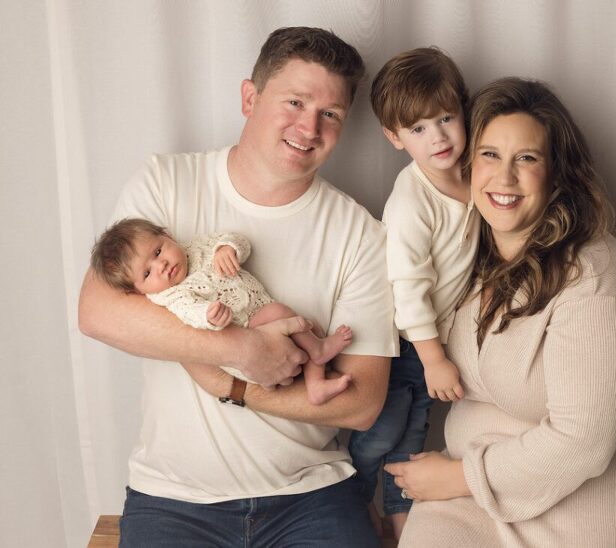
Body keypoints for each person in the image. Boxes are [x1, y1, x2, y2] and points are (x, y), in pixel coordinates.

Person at [78, 27, 398, 547]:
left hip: (311, 495)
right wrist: (238, 348)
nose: (309, 126)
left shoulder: (360, 233)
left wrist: (233, 387)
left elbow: (361, 404)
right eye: (294, 101)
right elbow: (97, 311)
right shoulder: (165, 183)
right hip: (172, 498)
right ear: (250, 97)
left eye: (330, 114)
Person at [385, 77, 616, 547]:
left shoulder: (595, 275)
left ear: (558, 173)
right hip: (473, 500)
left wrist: (456, 478)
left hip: (585, 507)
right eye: (490, 154)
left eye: (526, 158)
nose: (504, 178)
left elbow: (582, 442)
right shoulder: (468, 257)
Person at [347, 47, 480, 539]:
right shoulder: (411, 199)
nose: (438, 137)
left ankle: (401, 515)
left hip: (433, 342)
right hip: (403, 339)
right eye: (418, 129)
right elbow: (408, 289)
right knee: (383, 429)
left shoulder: (476, 179)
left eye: (446, 118)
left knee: (416, 431)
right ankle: (355, 494)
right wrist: (433, 359)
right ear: (394, 138)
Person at [90, 218, 353, 405]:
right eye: (147, 273)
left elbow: (236, 240)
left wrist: (228, 249)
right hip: (249, 330)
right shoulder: (170, 295)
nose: (161, 265)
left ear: (167, 235)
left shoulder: (198, 248)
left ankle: (316, 386)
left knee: (311, 327)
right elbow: (188, 313)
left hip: (258, 313)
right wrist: (209, 315)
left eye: (158, 251)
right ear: (140, 291)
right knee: (283, 314)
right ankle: (319, 352)